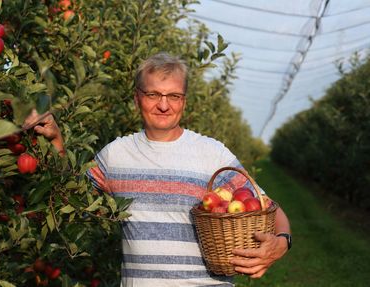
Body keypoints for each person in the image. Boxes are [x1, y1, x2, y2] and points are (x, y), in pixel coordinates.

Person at [25, 52, 291, 286]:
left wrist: (281, 243)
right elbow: (70, 193)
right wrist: (57, 141)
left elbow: (270, 208)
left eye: (174, 96)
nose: (164, 105)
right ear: (137, 98)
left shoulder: (212, 154)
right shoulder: (116, 155)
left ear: (184, 101)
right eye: (153, 94)